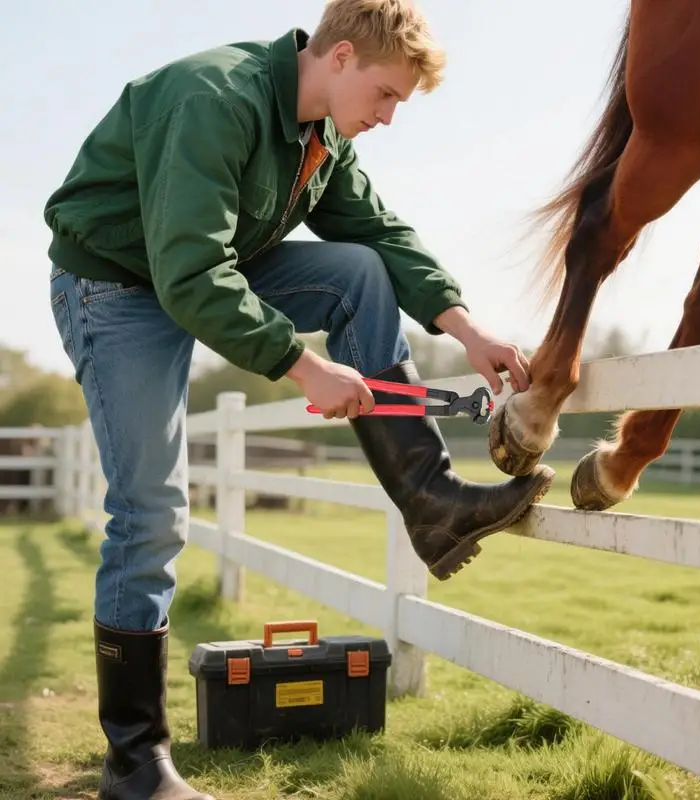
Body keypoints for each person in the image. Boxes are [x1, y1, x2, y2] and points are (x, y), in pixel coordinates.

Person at [44, 1, 554, 797]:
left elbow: (381, 235)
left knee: (356, 270)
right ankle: (134, 761)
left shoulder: (325, 137)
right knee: (150, 512)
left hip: (196, 271)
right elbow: (189, 274)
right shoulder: (214, 99)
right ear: (342, 57)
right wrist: (301, 366)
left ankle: (432, 500)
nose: (388, 118)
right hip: (115, 286)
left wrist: (466, 328)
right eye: (386, 96)